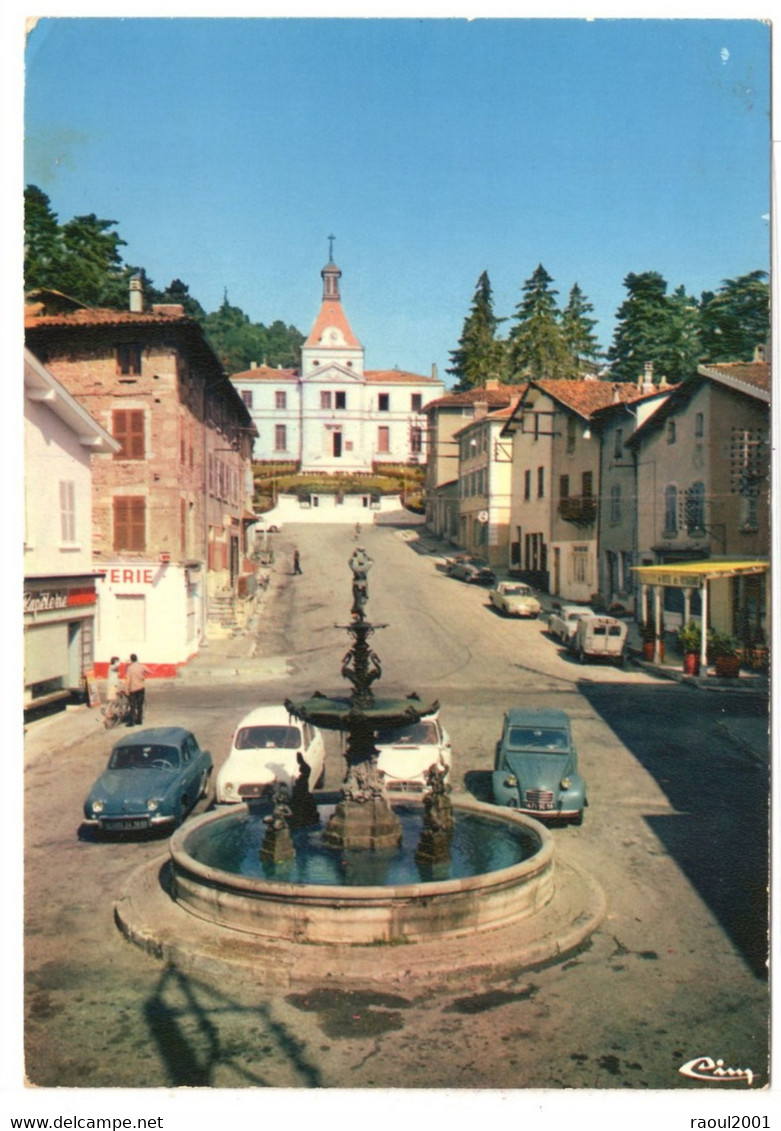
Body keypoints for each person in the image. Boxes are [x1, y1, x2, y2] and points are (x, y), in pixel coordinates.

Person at [125, 653, 150, 726]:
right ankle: (139, 720)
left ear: (131, 660)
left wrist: (126, 688)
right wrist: (143, 676)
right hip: (141, 687)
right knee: (140, 704)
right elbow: (150, 671)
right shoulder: (142, 666)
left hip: (133, 688)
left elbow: (128, 679)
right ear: (137, 658)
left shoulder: (130, 668)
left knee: (132, 705)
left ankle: (132, 722)